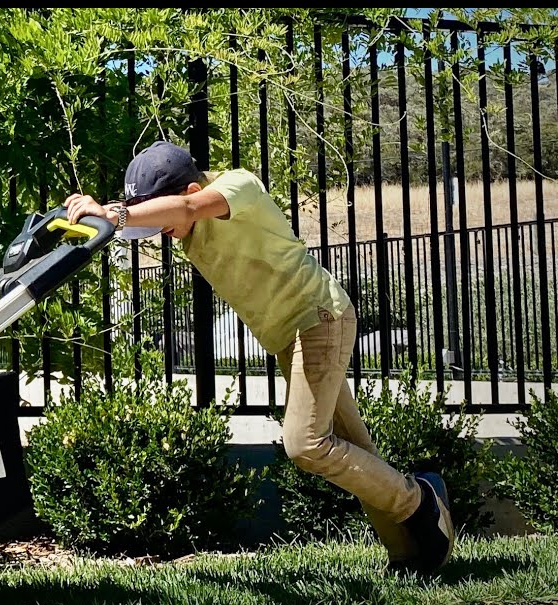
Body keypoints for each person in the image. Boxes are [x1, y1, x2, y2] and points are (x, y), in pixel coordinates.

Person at [63, 140, 455, 575]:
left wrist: (118, 213)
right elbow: (158, 216)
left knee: (306, 444)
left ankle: (417, 498)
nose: (161, 232)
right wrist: (98, 213)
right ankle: (409, 555)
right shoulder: (180, 216)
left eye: (161, 216)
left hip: (318, 317)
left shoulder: (238, 187)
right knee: (354, 447)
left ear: (192, 189)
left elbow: (186, 210)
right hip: (291, 333)